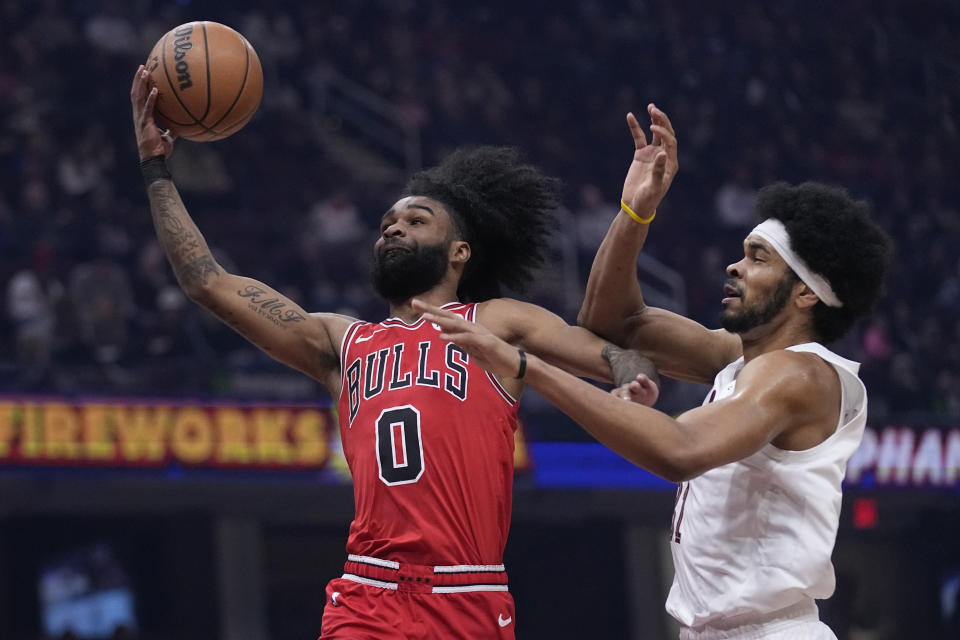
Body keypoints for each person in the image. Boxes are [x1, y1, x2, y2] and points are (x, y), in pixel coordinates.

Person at [129, 66, 658, 639]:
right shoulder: (341, 341)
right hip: (368, 594)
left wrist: (631, 379)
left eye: (415, 220)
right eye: (387, 223)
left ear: (459, 253)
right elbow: (208, 281)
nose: (393, 228)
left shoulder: (495, 322)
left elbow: (612, 353)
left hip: (468, 592)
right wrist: (157, 169)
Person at [413, 103, 892, 639]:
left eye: (758, 258)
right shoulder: (738, 357)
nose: (735, 266)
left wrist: (528, 367)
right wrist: (635, 212)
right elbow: (612, 320)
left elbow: (678, 451)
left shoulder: (799, 375)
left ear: (805, 292)